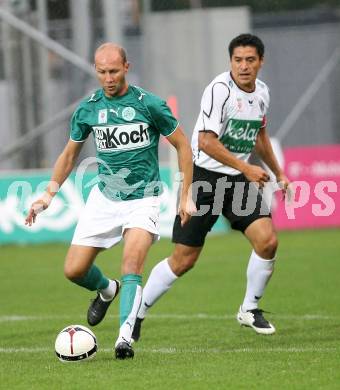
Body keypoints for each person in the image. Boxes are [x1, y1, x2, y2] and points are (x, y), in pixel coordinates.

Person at [25, 43, 195, 359]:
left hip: (143, 200)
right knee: (74, 270)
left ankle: (123, 340)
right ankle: (107, 289)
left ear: (126, 67)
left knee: (132, 264)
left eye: (114, 71)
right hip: (104, 199)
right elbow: (69, 155)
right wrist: (48, 194)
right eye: (101, 72)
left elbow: (184, 147)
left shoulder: (149, 104)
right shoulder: (88, 109)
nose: (108, 78)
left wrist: (185, 195)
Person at [131, 33, 290, 342]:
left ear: (261, 62)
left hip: (236, 180)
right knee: (183, 260)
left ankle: (249, 308)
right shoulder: (219, 90)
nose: (243, 66)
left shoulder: (262, 93)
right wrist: (246, 167)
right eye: (237, 60)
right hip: (204, 178)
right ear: (231, 61)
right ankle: (137, 312)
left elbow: (260, 136)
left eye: (250, 60)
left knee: (268, 242)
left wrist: (279, 173)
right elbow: (205, 141)